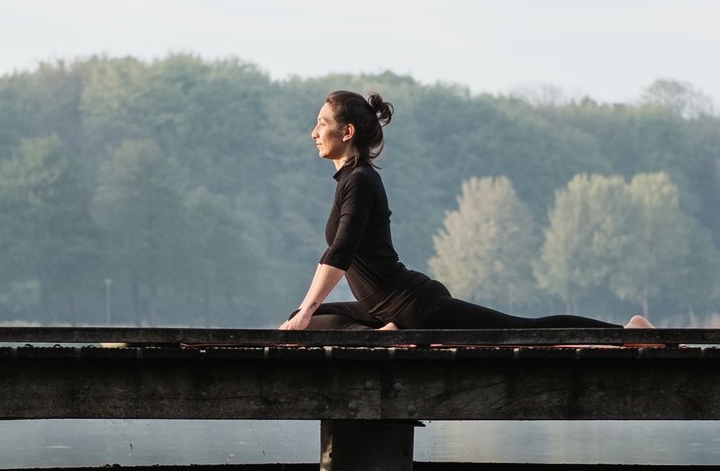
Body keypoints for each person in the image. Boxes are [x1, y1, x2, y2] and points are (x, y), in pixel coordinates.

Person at [280, 89, 655, 333]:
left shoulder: (360, 180)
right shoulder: (350, 180)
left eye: (322, 124)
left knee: (522, 329)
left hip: (413, 305)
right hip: (382, 308)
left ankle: (628, 333)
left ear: (346, 132)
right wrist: (305, 314)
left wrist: (305, 311)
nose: (313, 132)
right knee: (312, 323)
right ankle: (384, 335)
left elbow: (340, 253)